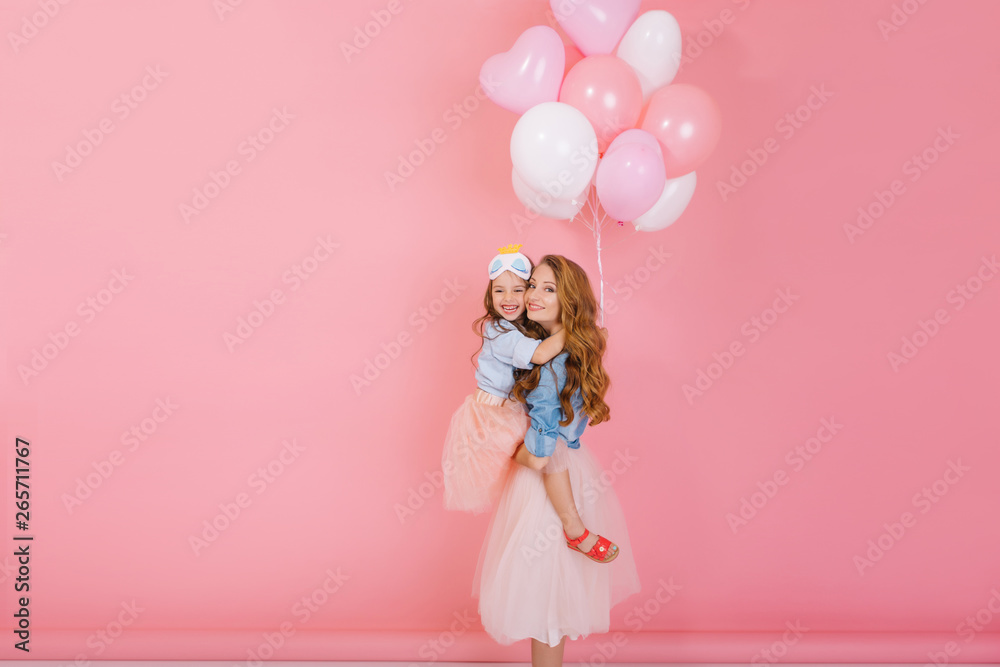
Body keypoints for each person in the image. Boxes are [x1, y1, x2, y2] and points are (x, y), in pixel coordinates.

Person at [473, 255, 641, 666]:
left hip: (551, 477)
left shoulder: (552, 365)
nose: (533, 295)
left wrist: (513, 451)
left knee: (547, 593)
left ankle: (573, 529)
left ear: (569, 300)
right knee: (549, 596)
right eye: (534, 285)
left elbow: (540, 454)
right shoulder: (536, 346)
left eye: (549, 289)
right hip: (560, 471)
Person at [441, 244, 566, 514]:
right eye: (499, 290)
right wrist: (575, 331)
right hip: (491, 413)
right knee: (539, 461)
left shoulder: (520, 327)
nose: (507, 298)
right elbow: (542, 354)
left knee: (547, 457)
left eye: (518, 290)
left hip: (506, 410)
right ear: (490, 294)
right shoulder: (498, 329)